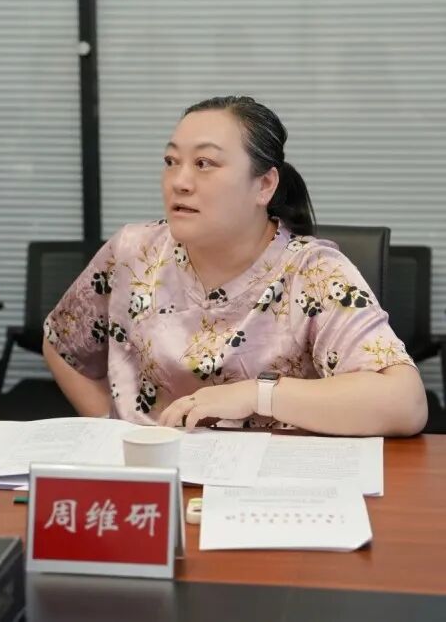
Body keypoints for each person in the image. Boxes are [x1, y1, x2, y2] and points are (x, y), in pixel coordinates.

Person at [43, 95, 427, 436]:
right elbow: (62, 343)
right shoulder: (134, 250)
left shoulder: (312, 272)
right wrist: (112, 430)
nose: (179, 181)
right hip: (155, 476)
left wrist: (258, 395)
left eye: (204, 163)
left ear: (264, 185)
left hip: (266, 479)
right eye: (171, 161)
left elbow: (405, 402)